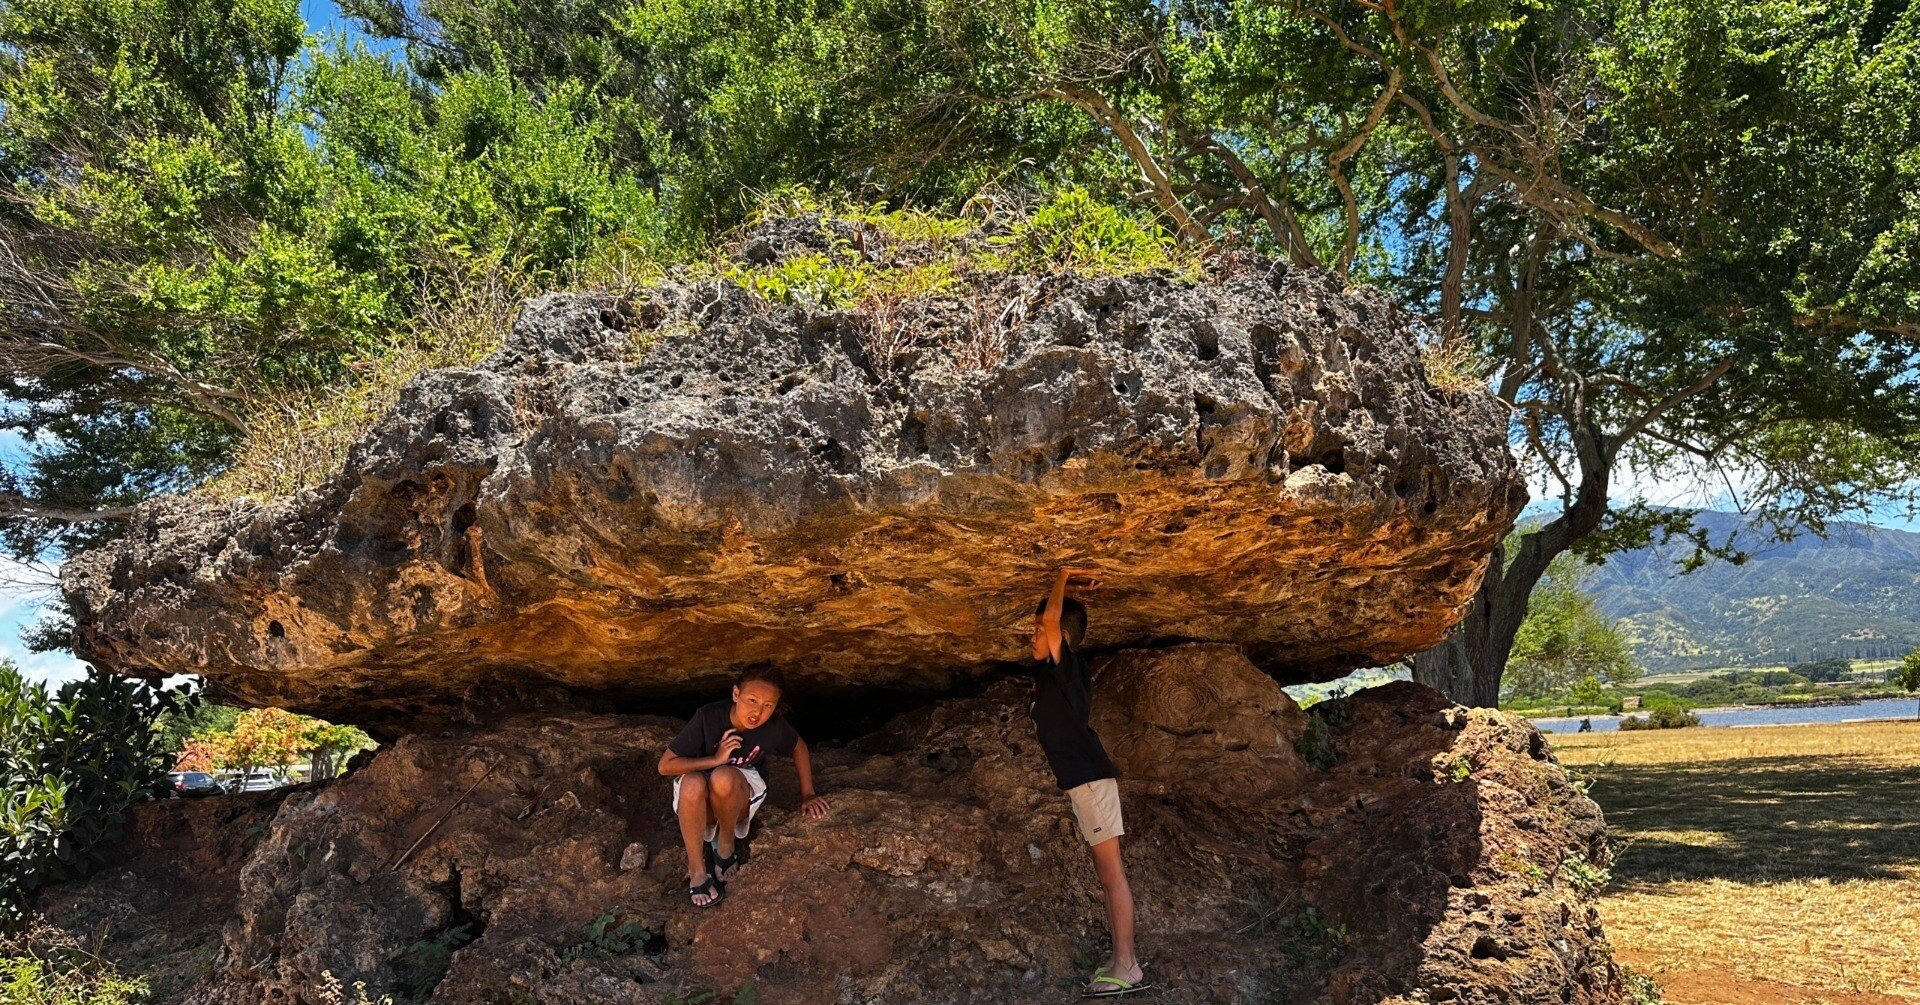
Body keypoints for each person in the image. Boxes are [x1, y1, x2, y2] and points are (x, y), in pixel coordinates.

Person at [1031, 567, 1150, 998]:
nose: (1033, 637)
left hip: (1091, 784)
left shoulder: (1068, 670)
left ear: (1060, 634)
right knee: (1107, 875)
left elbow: (1051, 621)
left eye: (1039, 631)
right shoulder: (1051, 677)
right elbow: (1050, 624)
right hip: (1083, 785)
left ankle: (1127, 965)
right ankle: (1123, 960)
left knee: (1111, 876)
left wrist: (1063, 576)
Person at [657, 667, 830, 908]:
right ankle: (697, 870)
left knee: (724, 775)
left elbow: (798, 747)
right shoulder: (709, 716)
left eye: (768, 705)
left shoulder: (774, 727)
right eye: (752, 700)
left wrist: (808, 793)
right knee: (693, 781)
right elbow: (665, 766)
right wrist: (715, 759)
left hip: (738, 793)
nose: (758, 711)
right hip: (700, 795)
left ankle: (726, 843)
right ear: (736, 693)